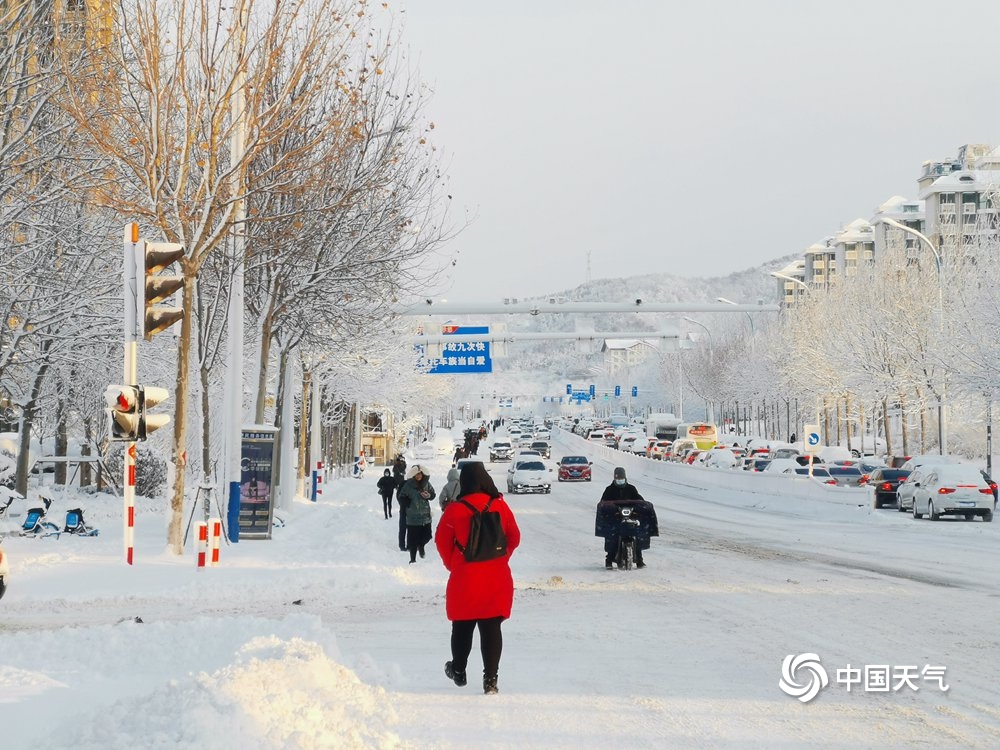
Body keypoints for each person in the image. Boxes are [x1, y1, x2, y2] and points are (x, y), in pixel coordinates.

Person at [435, 462, 521, 695]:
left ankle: (459, 670)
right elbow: (514, 537)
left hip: (465, 576)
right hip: (496, 576)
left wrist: (452, 563)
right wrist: (501, 557)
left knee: (462, 625)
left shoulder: (455, 510)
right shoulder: (500, 506)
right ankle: (490, 680)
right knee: (491, 627)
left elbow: (442, 541)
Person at [595, 467, 658, 570]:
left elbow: (639, 499)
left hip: (630, 517)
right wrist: (610, 509)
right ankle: (609, 560)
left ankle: (640, 561)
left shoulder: (631, 489)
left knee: (637, 535)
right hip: (615, 519)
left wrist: (642, 506)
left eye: (622, 478)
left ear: (625, 478)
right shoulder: (609, 490)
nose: (620, 480)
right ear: (614, 478)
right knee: (612, 538)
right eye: (618, 478)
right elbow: (603, 503)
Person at [398, 464, 435, 563]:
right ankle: (412, 559)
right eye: (417, 474)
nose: (419, 476)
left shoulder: (427, 484)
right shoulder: (408, 485)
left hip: (425, 516)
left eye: (420, 474)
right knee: (412, 539)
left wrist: (429, 495)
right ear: (413, 475)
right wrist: (408, 503)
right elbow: (401, 496)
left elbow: (433, 494)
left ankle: (421, 545)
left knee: (428, 536)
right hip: (412, 516)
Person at [393, 455, 408, 550]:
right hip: (397, 481)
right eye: (399, 460)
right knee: (403, 528)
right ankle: (402, 545)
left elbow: (404, 468)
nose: (400, 462)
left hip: (401, 481)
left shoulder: (402, 465)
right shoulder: (395, 467)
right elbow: (395, 471)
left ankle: (408, 544)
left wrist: (403, 462)